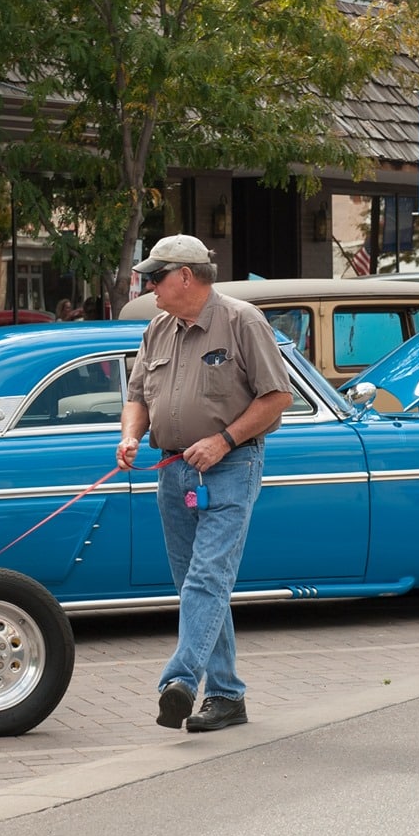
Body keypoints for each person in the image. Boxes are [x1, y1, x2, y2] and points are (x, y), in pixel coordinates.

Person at [118, 234, 289, 733]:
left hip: (230, 468)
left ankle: (181, 682)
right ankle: (228, 695)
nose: (150, 286)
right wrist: (130, 436)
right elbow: (137, 396)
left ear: (186, 277)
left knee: (206, 579)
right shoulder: (157, 328)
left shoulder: (242, 320)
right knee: (195, 586)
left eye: (156, 277)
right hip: (173, 470)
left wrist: (223, 441)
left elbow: (277, 398)